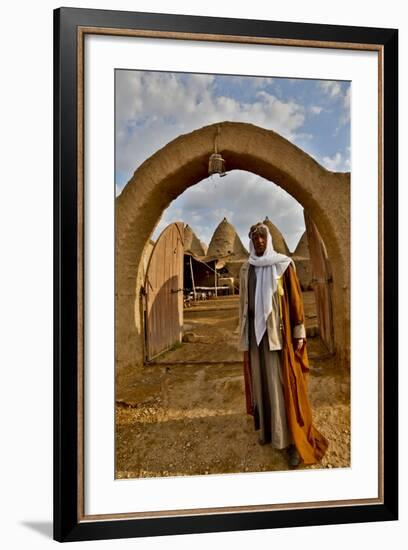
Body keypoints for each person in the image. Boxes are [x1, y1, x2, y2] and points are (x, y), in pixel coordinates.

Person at [238, 222, 328, 467]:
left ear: (268, 240)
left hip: (280, 337)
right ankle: (269, 432)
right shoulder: (247, 269)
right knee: (262, 384)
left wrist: (299, 332)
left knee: (282, 385)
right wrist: (244, 334)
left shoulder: (283, 265)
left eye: (262, 237)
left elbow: (296, 299)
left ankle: (291, 441)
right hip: (257, 339)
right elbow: (243, 305)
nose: (258, 242)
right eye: (254, 238)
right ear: (250, 241)